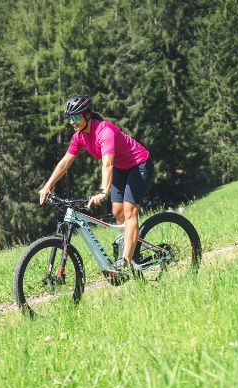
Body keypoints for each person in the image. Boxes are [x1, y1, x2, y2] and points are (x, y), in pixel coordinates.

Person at [38, 95, 153, 274]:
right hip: (121, 169)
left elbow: (107, 164)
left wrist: (102, 191)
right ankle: (132, 250)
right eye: (69, 118)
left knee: (130, 210)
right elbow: (65, 162)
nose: (72, 122)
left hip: (139, 165)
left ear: (88, 115)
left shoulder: (104, 131)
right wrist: (48, 185)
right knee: (117, 212)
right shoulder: (80, 136)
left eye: (75, 117)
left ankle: (126, 261)